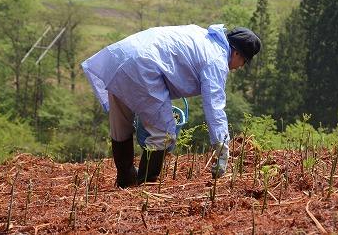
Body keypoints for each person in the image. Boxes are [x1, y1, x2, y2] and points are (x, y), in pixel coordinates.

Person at [81, 24, 261, 188]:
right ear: (237, 53)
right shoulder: (217, 60)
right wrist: (222, 147)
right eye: (244, 62)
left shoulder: (204, 36)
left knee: (120, 122)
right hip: (144, 65)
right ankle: (145, 186)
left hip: (122, 56)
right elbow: (214, 107)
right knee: (163, 133)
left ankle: (125, 179)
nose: (239, 67)